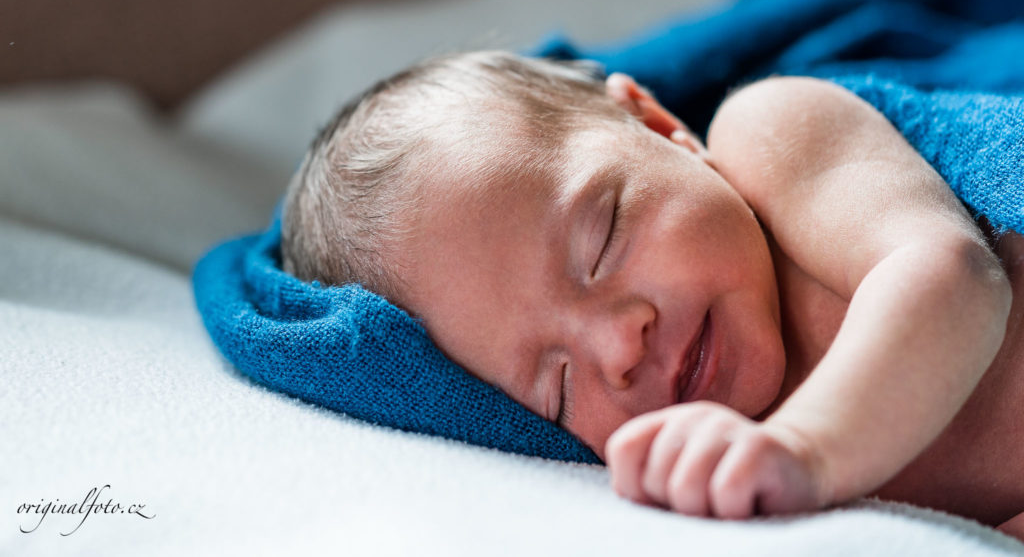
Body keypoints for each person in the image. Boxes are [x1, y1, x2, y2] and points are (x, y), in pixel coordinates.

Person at [281, 50, 1024, 538]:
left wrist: (805, 448)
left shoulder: (776, 135)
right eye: (557, 384)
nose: (617, 345)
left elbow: (952, 273)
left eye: (601, 239)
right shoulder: (719, 483)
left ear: (662, 127)